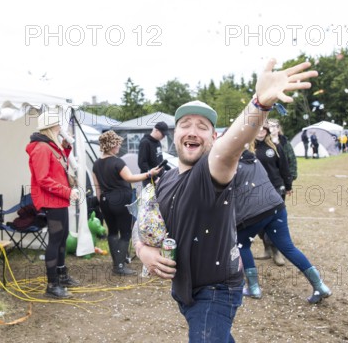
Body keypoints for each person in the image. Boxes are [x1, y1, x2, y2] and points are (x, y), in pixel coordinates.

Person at [134, 59, 317, 343]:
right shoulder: (165, 180)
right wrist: (143, 251)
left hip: (217, 290)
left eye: (202, 127)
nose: (192, 131)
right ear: (175, 135)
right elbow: (143, 224)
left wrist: (259, 104)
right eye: (185, 125)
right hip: (184, 290)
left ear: (213, 137)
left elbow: (229, 148)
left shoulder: (210, 171)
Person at [234, 149, 331, 303]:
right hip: (275, 206)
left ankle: (253, 288)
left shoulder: (230, 164)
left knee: (242, 245)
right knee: (288, 248)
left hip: (253, 213)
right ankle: (320, 285)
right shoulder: (254, 159)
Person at [92, 130, 163, 276]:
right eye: (117, 144)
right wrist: (150, 173)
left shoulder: (96, 164)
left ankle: (117, 263)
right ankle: (119, 267)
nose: (119, 146)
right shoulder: (118, 162)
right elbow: (130, 178)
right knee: (125, 233)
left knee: (112, 232)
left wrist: (101, 202)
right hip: (121, 199)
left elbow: (97, 187)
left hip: (105, 200)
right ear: (112, 145)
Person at [26, 111, 80, 299]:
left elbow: (58, 167)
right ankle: (52, 284)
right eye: (57, 125)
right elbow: (43, 179)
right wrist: (67, 191)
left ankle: (61, 274)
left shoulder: (50, 146)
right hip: (52, 200)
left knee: (62, 237)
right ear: (50, 127)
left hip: (58, 199)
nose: (60, 129)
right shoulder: (41, 147)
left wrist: (65, 149)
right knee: (55, 240)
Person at [253, 123, 293, 266]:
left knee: (273, 220)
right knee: (258, 221)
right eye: (258, 128)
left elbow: (284, 167)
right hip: (255, 189)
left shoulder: (275, 147)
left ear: (267, 131)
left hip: (276, 187)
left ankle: (276, 252)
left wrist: (288, 185)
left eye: (263, 129)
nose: (260, 131)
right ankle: (267, 249)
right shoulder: (248, 147)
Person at [138, 121, 169, 186]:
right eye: (163, 134)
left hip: (160, 178)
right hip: (150, 180)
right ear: (156, 130)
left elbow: (159, 161)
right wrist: (154, 178)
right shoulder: (145, 143)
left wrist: (170, 169)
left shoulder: (158, 142)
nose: (164, 137)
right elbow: (142, 163)